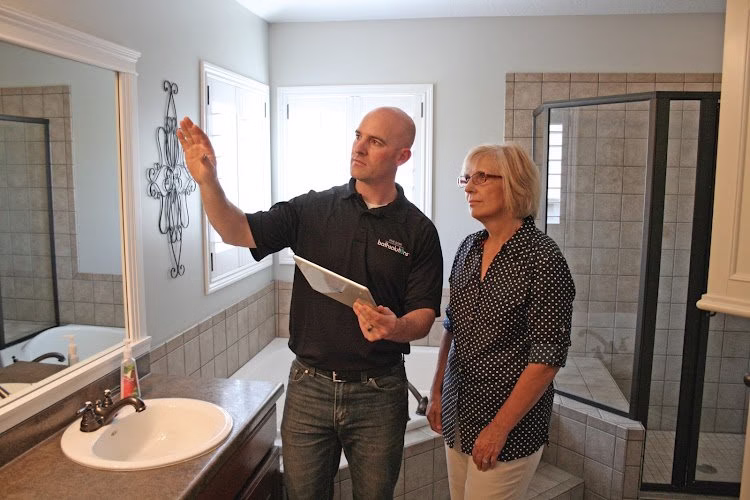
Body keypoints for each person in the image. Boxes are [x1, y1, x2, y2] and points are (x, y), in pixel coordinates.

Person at [177, 107, 443, 500]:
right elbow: (237, 231)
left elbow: (423, 315)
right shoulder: (313, 209)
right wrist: (208, 182)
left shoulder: (418, 230)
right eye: (358, 135)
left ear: (402, 156)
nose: (359, 147)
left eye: (375, 141)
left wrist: (396, 327)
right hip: (309, 388)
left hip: (379, 392)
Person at [427, 143, 574, 499]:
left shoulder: (543, 259)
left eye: (481, 177)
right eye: (466, 178)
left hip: (508, 429)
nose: (468, 187)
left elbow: (547, 358)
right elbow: (452, 327)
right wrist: (436, 391)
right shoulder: (468, 248)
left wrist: (499, 428)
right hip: (458, 413)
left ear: (514, 184)